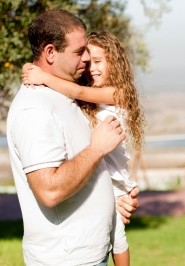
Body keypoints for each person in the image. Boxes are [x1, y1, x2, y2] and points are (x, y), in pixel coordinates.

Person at [7, 9, 138, 265]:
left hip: (90, 254)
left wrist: (114, 198)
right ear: (50, 53)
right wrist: (96, 149)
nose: (87, 59)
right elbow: (50, 190)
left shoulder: (65, 97)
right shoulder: (35, 108)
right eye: (79, 52)